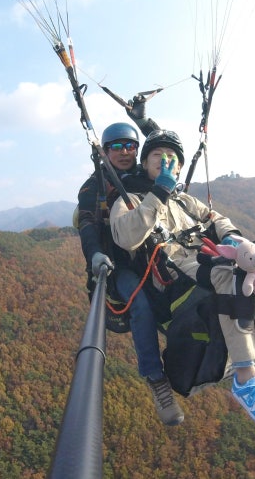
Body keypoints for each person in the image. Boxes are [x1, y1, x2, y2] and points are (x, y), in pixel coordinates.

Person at [109, 129, 255, 431]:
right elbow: (125, 237)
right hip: (176, 271)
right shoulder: (131, 199)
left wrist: (235, 242)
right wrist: (158, 193)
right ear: (145, 162)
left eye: (172, 158)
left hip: (209, 255)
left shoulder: (184, 201)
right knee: (232, 275)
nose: (165, 161)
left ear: (180, 167)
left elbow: (217, 219)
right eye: (157, 155)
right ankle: (246, 378)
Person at [75, 107, 186, 426]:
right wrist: (95, 255)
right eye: (117, 147)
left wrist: (144, 120)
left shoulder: (143, 175)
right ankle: (157, 379)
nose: (125, 153)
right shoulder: (94, 187)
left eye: (130, 146)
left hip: (158, 252)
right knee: (140, 304)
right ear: (105, 151)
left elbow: (165, 148)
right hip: (120, 262)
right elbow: (87, 225)